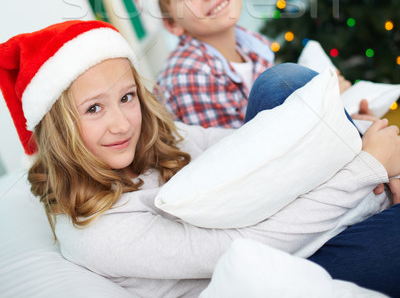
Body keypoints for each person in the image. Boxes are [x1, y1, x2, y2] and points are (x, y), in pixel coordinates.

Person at [1, 19, 400, 297]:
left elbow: (250, 145)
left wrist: (362, 141)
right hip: (267, 272)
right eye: (93, 109)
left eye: (126, 98)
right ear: (58, 129)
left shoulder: (154, 141)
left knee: (282, 85)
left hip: (283, 222)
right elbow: (245, 246)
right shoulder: (93, 232)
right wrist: (366, 172)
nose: (122, 124)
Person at [124, 0, 353, 128]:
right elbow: (246, 158)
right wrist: (326, 103)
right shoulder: (187, 76)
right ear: (172, 24)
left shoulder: (251, 46)